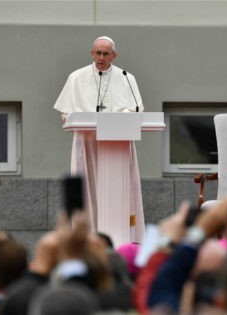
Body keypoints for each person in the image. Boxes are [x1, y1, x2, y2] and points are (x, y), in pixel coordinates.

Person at [53, 35, 145, 242]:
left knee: (118, 190)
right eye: (98, 53)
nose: (101, 58)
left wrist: (120, 116)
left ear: (114, 55)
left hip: (117, 145)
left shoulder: (127, 79)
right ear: (91, 53)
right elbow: (66, 113)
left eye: (106, 54)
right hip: (87, 143)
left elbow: (136, 109)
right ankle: (86, 234)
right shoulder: (76, 77)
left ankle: (122, 236)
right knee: (87, 187)